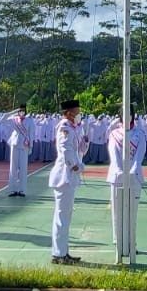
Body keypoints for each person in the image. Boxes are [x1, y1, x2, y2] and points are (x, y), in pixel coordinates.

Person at [49, 99, 88, 265]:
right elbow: (66, 151)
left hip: (70, 177)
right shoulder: (65, 128)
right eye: (76, 111)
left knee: (66, 215)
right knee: (62, 216)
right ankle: (59, 254)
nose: (79, 114)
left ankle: (63, 251)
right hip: (64, 176)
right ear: (68, 113)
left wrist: (85, 142)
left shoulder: (75, 128)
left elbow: (79, 150)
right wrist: (75, 166)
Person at [107, 107, 146, 257]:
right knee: (117, 212)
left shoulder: (139, 134)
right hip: (117, 177)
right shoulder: (114, 134)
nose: (127, 117)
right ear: (120, 117)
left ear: (133, 116)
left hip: (134, 177)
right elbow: (113, 154)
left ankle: (131, 243)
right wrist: (119, 172)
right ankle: (118, 241)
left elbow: (139, 155)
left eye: (129, 114)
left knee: (132, 212)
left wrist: (132, 171)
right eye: (124, 114)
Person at [5, 105, 36, 197]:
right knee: (13, 168)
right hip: (14, 143)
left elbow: (31, 133)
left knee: (23, 168)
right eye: (20, 110)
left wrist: (31, 146)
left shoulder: (29, 121)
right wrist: (12, 112)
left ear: (25, 111)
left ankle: (22, 190)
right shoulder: (14, 119)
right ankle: (12, 190)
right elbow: (2, 120)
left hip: (24, 145)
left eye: (23, 110)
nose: (21, 112)